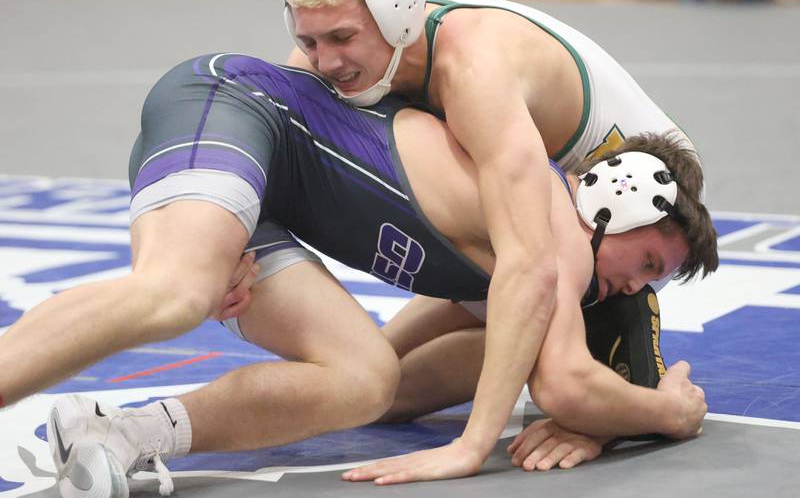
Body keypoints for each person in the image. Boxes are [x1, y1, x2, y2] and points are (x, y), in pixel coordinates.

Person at [11, 52, 716, 498]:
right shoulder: (546, 217)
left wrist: (596, 422)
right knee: (177, 294)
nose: (636, 288)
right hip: (236, 111)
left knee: (364, 380)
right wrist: (672, 413)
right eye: (648, 263)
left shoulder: (511, 261)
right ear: (617, 201)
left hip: (266, 199)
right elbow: (565, 380)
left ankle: (122, 434)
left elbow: (406, 381)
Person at [280, 0, 707, 468]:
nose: (326, 61)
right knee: (375, 384)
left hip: (584, 191)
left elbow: (541, 288)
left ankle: (597, 394)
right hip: (566, 185)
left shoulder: (476, 75)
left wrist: (609, 423)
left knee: (550, 309)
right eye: (311, 42)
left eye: (339, 40)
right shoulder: (353, 29)